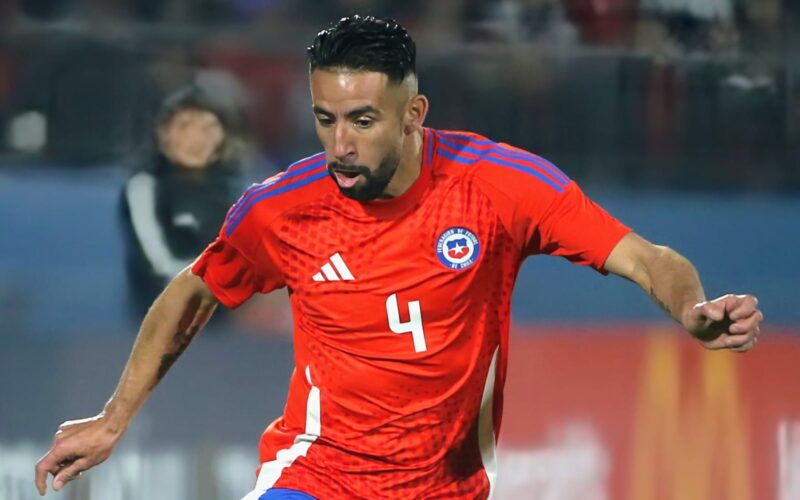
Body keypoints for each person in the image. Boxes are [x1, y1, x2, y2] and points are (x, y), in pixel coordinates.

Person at [35, 15, 763, 500]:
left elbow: (646, 257)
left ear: (413, 114)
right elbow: (191, 292)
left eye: (362, 120)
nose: (340, 145)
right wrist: (114, 416)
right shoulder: (281, 209)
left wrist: (691, 311)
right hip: (315, 473)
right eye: (325, 120)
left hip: (446, 487)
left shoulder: (501, 187)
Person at [119, 85, 245, 317]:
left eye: (207, 128)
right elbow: (160, 264)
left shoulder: (233, 187)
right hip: (160, 320)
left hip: (226, 326)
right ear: (164, 135)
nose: (195, 139)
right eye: (184, 127)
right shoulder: (145, 186)